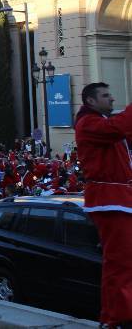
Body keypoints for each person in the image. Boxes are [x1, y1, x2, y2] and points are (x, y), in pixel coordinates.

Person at [73, 82, 132, 329]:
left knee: (124, 261)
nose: (112, 99)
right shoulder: (89, 123)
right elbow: (120, 127)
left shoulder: (102, 123)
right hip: (109, 199)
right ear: (91, 101)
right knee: (120, 262)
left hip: (118, 198)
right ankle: (116, 318)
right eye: (106, 95)